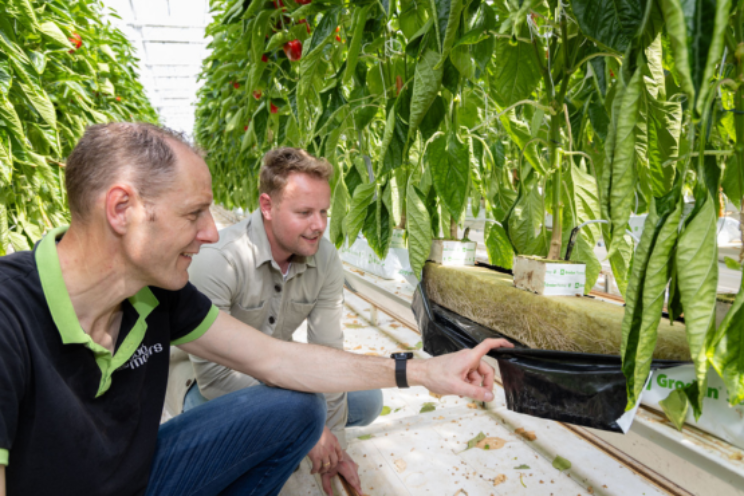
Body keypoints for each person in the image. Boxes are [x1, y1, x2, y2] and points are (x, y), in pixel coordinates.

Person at [0, 122, 513, 496]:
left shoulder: (157, 292)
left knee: (299, 408)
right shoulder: (10, 313)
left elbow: (277, 360)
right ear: (122, 210)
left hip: (139, 477)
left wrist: (422, 371)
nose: (208, 231)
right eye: (194, 213)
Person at [166, 148, 377, 494]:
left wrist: (334, 444)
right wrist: (306, 426)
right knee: (296, 416)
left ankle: (282, 434)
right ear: (267, 206)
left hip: (275, 370)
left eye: (324, 211)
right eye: (305, 212)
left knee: (367, 400)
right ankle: (273, 439)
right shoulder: (221, 260)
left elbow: (330, 351)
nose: (319, 225)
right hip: (204, 385)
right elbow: (216, 378)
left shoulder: (324, 257)